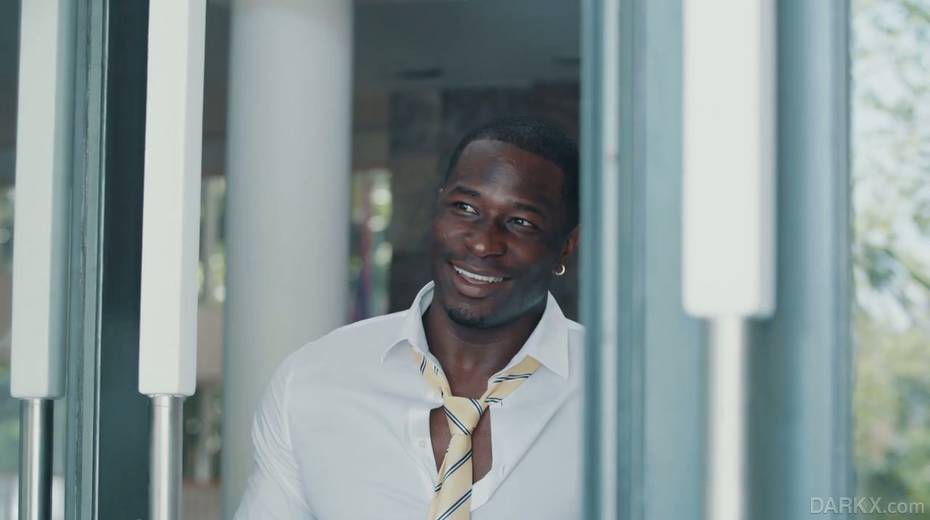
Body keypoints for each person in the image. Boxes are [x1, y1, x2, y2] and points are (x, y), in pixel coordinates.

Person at [234, 116, 583, 519]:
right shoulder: (312, 382)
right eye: (465, 208)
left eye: (520, 222)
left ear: (566, 245)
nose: (483, 242)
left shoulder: (617, 396)